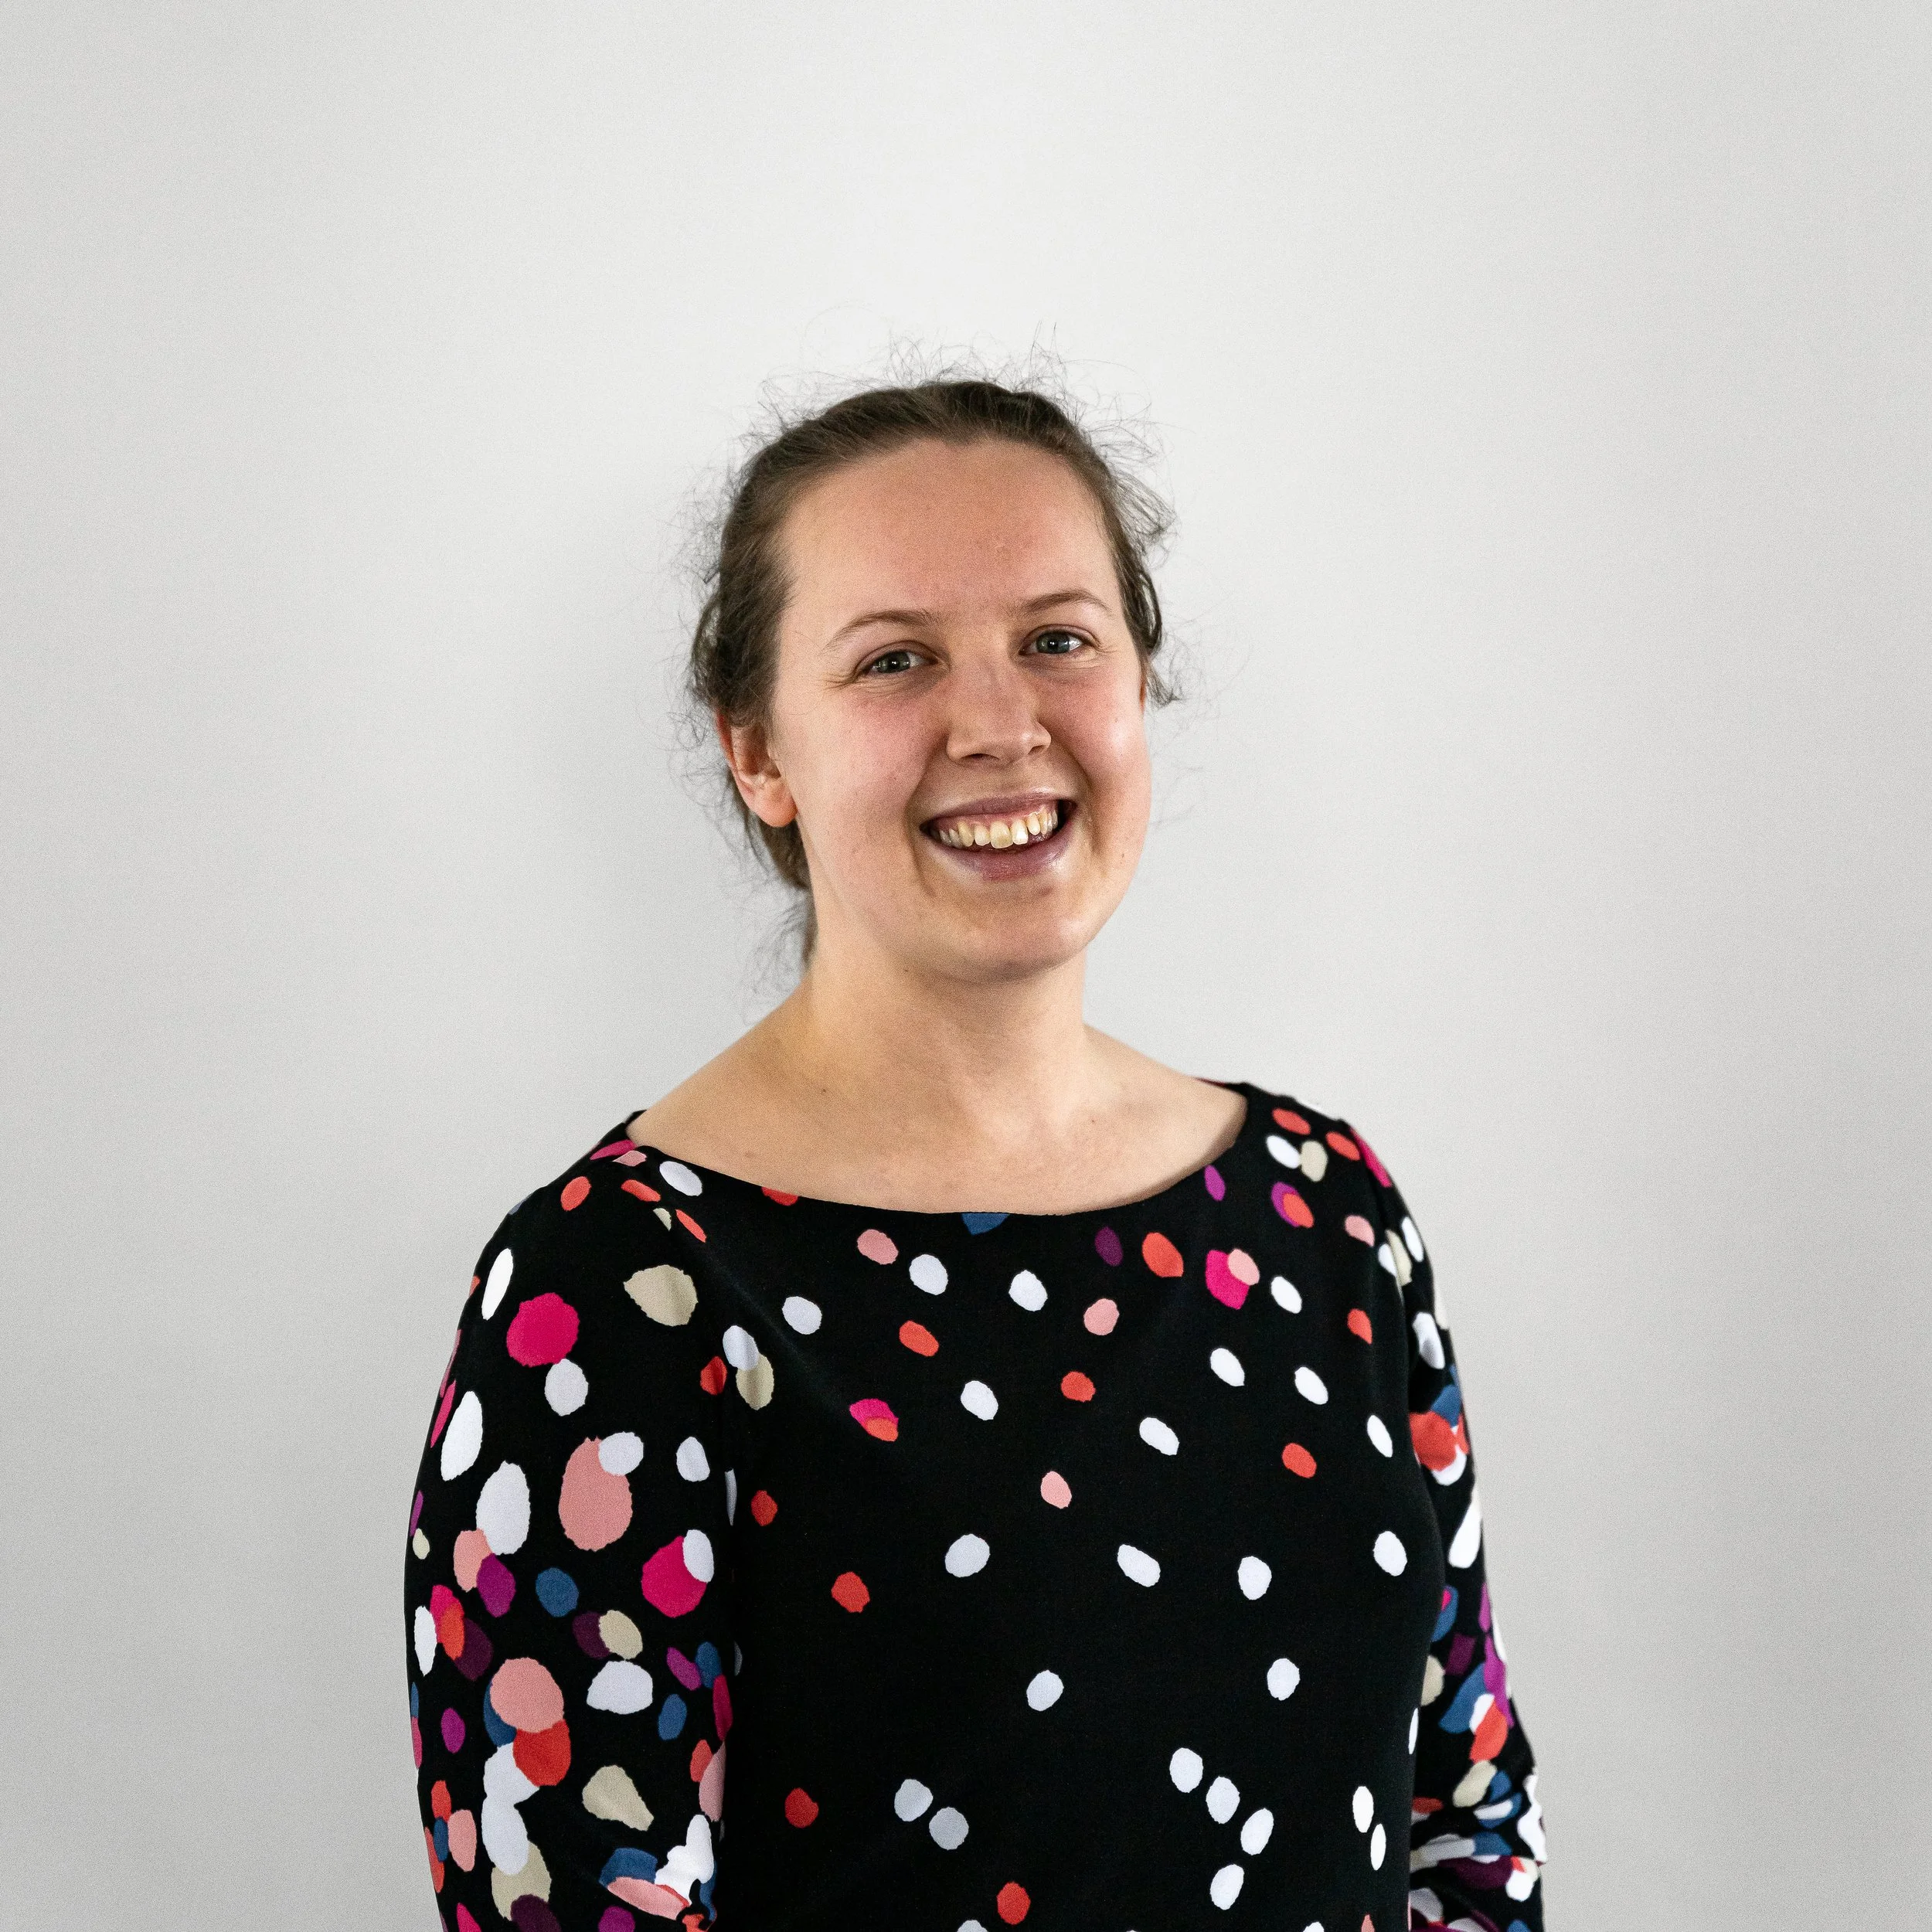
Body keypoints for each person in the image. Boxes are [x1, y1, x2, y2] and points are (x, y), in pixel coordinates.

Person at [403, 378, 1547, 1931]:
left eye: (1058, 638)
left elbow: (1463, 1819)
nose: (1002, 724)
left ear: (1139, 679)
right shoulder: (615, 1289)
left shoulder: (1327, 1211)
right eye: (895, 659)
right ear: (758, 751)